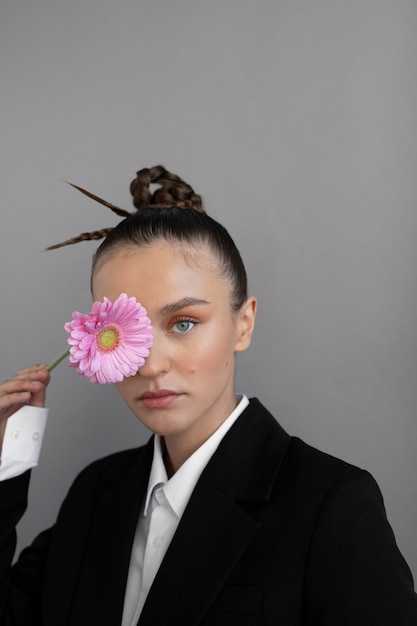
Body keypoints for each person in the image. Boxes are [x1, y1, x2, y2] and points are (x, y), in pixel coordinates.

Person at [0, 165, 416, 625]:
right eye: (122, 332)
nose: (151, 364)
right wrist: (8, 459)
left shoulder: (329, 505)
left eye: (183, 324)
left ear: (244, 323)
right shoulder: (95, 493)